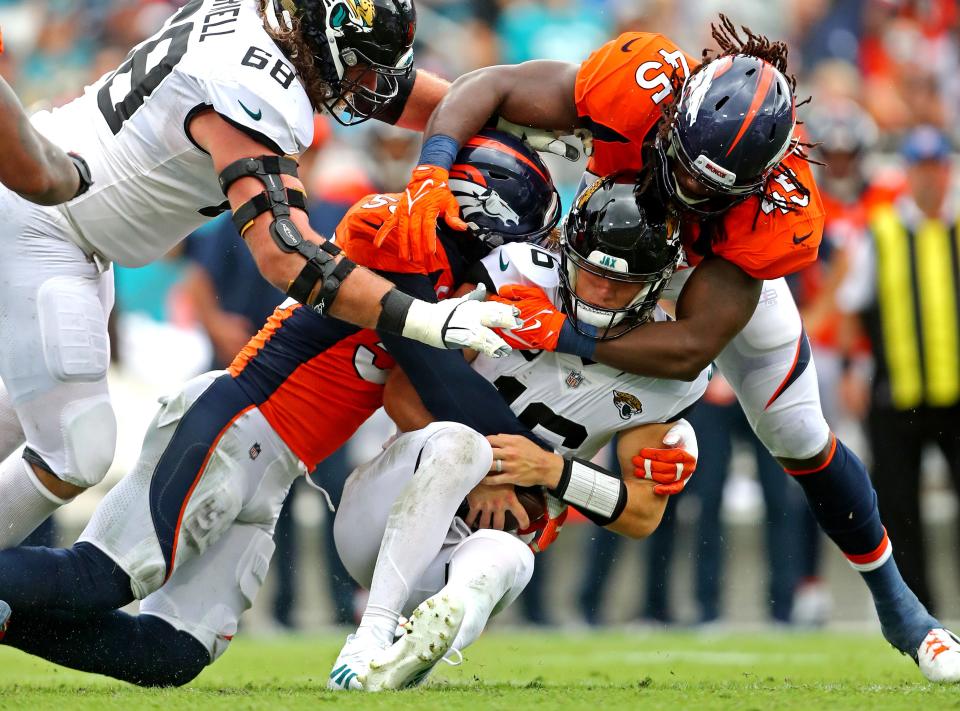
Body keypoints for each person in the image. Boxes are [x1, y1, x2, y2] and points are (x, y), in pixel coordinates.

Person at [383, 15, 960, 679]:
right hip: (598, 248)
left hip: (694, 284)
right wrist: (431, 168)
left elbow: (690, 344)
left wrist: (563, 333)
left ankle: (899, 605)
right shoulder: (639, 84)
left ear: (762, 178)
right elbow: (490, 86)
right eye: (685, 165)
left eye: (713, 188)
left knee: (798, 432)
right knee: (482, 204)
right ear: (674, 115)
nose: (688, 190)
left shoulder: (774, 217)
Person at [0, 129, 557, 687]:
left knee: (169, 653)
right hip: (236, 426)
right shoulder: (387, 231)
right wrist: (551, 471)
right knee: (101, 576)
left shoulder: (451, 278)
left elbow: (421, 390)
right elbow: (438, 376)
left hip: (275, 465)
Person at [0, 0, 520, 552]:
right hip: (48, 229)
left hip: (70, 227)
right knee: (76, 451)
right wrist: (424, 319)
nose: (372, 85)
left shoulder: (269, 24)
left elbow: (392, 88)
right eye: (363, 64)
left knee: (17, 418)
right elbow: (288, 255)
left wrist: (506, 121)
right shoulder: (250, 88)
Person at [328, 173, 705, 690]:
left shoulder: (665, 372)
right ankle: (369, 636)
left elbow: (641, 514)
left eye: (624, 283)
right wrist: (485, 473)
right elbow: (403, 393)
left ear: (658, 283)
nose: (602, 291)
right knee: (461, 446)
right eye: (592, 272)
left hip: (469, 547)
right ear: (567, 252)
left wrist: (553, 470)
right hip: (388, 511)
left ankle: (406, 658)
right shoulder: (518, 275)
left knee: (513, 557)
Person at [839, 126, 960, 616]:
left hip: (956, 395)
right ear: (907, 173)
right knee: (900, 508)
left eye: (936, 167)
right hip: (896, 394)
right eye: (920, 168)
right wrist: (851, 369)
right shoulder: (881, 231)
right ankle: (920, 616)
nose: (929, 178)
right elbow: (850, 306)